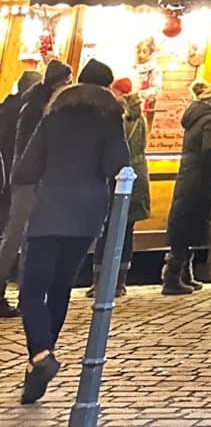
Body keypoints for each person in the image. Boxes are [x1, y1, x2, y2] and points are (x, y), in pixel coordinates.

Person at [12, 58, 128, 405]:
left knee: (32, 291)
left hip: (49, 210)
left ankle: (41, 356)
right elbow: (116, 165)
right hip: (87, 214)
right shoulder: (111, 118)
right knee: (61, 288)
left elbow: (26, 167)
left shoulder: (55, 114)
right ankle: (37, 371)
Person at [0, 62, 71, 318]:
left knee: (22, 237)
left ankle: (26, 295)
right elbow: (30, 148)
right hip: (28, 180)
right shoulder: (36, 109)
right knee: (17, 237)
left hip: (19, 179)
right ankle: (22, 295)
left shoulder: (22, 105)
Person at [164, 82, 211, 296]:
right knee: (190, 223)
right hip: (200, 178)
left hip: (189, 175)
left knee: (186, 223)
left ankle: (183, 273)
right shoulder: (210, 119)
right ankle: (173, 276)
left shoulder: (194, 118)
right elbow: (209, 148)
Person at [88, 79, 149, 299]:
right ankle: (115, 282)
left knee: (114, 229)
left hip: (121, 176)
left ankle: (105, 282)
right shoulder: (136, 116)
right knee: (122, 231)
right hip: (133, 175)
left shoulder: (117, 116)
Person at [0, 73, 40, 319]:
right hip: (23, 184)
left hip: (6, 185)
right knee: (21, 239)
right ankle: (26, 296)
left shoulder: (5, 109)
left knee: (10, 238)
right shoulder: (30, 111)